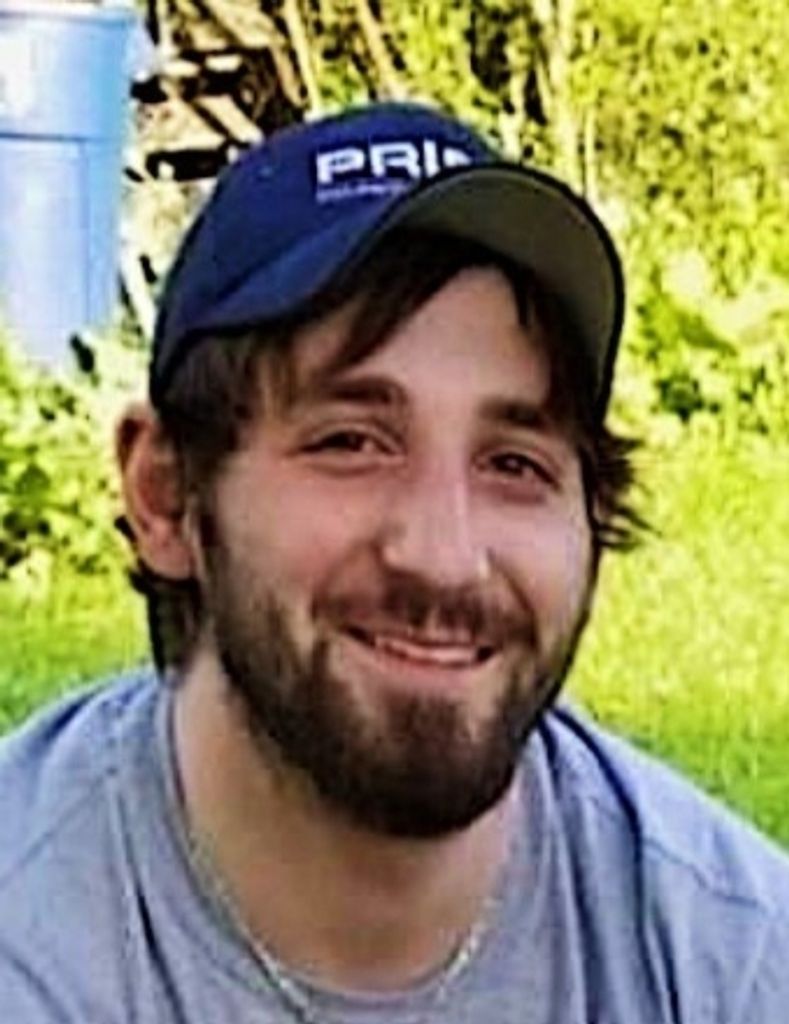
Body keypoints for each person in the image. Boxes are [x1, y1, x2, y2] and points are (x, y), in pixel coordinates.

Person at [1, 101, 787, 1023]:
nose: (444, 559)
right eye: (351, 443)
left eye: (513, 464)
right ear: (168, 496)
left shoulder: (727, 958)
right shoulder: (34, 941)